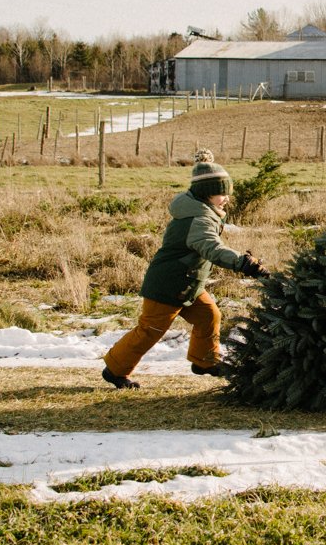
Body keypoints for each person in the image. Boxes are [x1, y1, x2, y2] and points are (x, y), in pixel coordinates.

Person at [101, 150, 269, 389]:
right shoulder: (198, 219)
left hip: (188, 283)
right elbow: (212, 248)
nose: (227, 199)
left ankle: (204, 362)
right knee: (150, 330)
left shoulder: (203, 212)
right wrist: (243, 263)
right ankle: (115, 369)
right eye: (222, 193)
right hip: (168, 285)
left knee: (209, 315)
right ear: (206, 193)